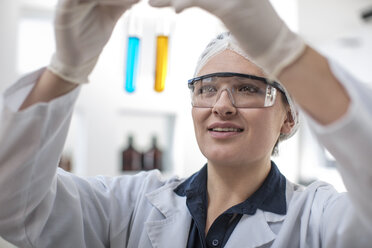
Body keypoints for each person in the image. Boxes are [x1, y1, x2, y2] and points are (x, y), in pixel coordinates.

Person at [0, 0, 371, 248]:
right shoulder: (128, 206)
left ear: (289, 116)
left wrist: (285, 50)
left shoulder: (318, 220)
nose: (221, 106)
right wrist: (66, 69)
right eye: (207, 88)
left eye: (247, 88)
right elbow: (14, 208)